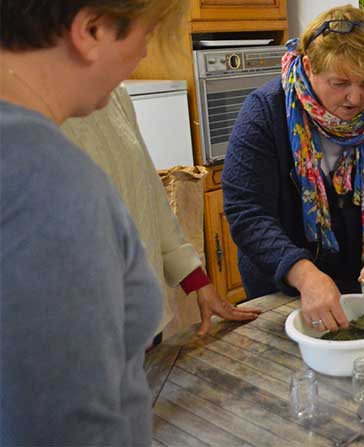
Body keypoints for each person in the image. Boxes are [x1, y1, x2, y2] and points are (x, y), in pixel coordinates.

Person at [0, 0, 188, 443]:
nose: (146, 51)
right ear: (92, 29)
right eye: (148, 31)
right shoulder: (46, 179)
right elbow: (65, 426)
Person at [223, 5, 364, 333]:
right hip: (283, 288)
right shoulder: (265, 112)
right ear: (308, 66)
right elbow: (247, 213)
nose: (356, 97)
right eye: (340, 82)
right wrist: (303, 273)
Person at [61, 86, 261, 339]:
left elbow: (151, 195)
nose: (144, 53)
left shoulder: (116, 95)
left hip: (142, 316)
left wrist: (197, 280)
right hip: (89, 335)